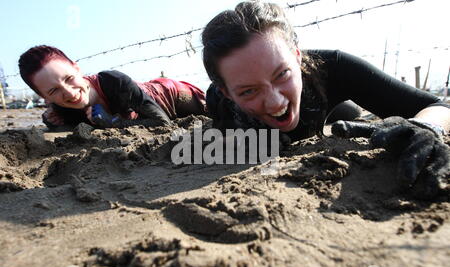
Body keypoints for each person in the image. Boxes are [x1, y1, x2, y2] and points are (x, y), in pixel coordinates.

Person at [201, 1, 450, 199]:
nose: (275, 102)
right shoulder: (219, 102)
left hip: (335, 110)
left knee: (349, 113)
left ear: (297, 56)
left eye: (282, 74)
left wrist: (426, 126)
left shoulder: (334, 68)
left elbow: (439, 106)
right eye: (248, 92)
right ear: (227, 92)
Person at [18, 45, 207, 130]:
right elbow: (60, 126)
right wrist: (50, 121)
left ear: (77, 68)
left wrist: (113, 123)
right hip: (144, 105)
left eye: (69, 78)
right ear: (44, 96)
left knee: (218, 108)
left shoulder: (114, 82)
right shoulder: (60, 111)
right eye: (53, 91)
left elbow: (162, 122)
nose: (69, 92)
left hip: (171, 94)